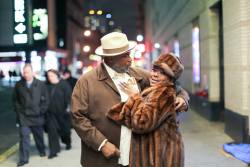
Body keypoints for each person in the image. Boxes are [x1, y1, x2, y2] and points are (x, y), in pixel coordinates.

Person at [71, 32, 189, 167]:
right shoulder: (87, 81)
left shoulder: (137, 74)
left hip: (136, 157)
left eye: (129, 53)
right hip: (103, 159)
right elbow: (78, 117)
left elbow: (169, 83)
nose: (130, 59)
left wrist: (182, 98)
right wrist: (101, 144)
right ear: (110, 58)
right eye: (125, 55)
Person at [107, 52, 185, 167]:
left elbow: (142, 123)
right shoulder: (152, 90)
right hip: (153, 156)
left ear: (170, 78)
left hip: (161, 158)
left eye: (162, 73)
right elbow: (139, 115)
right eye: (154, 70)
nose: (155, 75)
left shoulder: (164, 93)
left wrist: (134, 95)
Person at [13, 64, 49, 166]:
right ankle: (24, 159)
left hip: (37, 116)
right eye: (24, 72)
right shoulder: (18, 85)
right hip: (24, 117)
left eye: (27, 72)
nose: (25, 74)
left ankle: (41, 151)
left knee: (39, 136)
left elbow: (46, 100)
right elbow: (15, 100)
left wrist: (41, 110)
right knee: (24, 138)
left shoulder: (41, 84)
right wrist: (19, 112)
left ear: (32, 72)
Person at [45, 69, 72, 159]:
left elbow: (69, 98)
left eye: (51, 76)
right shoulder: (46, 85)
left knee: (65, 132)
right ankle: (54, 151)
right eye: (48, 76)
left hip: (63, 114)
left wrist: (69, 109)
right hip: (51, 114)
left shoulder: (64, 84)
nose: (50, 78)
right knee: (52, 132)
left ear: (57, 75)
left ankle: (67, 142)